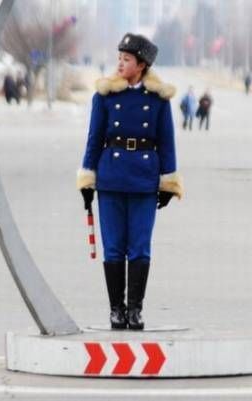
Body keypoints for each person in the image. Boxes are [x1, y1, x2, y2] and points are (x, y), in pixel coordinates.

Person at [76, 33, 183, 330]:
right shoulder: (105, 96)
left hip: (144, 180)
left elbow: (167, 143)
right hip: (110, 178)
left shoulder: (158, 101)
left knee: (139, 248)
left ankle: (135, 310)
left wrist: (168, 184)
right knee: (114, 249)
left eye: (127, 59)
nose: (120, 64)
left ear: (142, 65)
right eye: (119, 58)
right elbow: (94, 140)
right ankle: (115, 310)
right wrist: (87, 179)